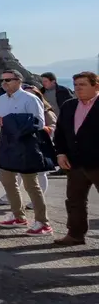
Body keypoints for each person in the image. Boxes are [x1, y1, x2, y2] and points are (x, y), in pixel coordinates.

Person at [0, 74, 54, 236]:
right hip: (6, 143)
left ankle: (43, 222)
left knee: (31, 185)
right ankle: (18, 217)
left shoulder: (30, 99)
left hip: (26, 144)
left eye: (8, 80)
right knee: (7, 181)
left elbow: (39, 122)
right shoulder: (1, 99)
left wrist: (7, 121)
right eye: (2, 80)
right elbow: (1, 121)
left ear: (19, 81)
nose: (4, 83)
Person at [52, 72, 99, 246]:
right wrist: (61, 153)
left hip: (97, 163)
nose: (78, 88)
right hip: (75, 163)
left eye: (83, 84)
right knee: (74, 200)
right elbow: (61, 133)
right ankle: (75, 234)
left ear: (96, 86)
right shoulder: (69, 106)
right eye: (76, 85)